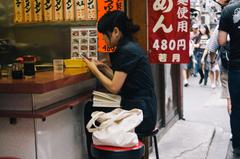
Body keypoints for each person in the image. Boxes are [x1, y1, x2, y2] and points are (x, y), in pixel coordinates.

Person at [82, 10, 157, 159]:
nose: (103, 39)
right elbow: (121, 80)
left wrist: (94, 70)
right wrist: (104, 68)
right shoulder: (130, 47)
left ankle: (96, 156)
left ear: (115, 31)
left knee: (90, 108)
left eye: (104, 34)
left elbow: (114, 87)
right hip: (143, 107)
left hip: (140, 114)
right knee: (93, 106)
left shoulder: (126, 51)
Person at [218, 0, 240, 157]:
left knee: (237, 108)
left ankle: (238, 146)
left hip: (236, 67)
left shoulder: (228, 11)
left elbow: (221, 40)